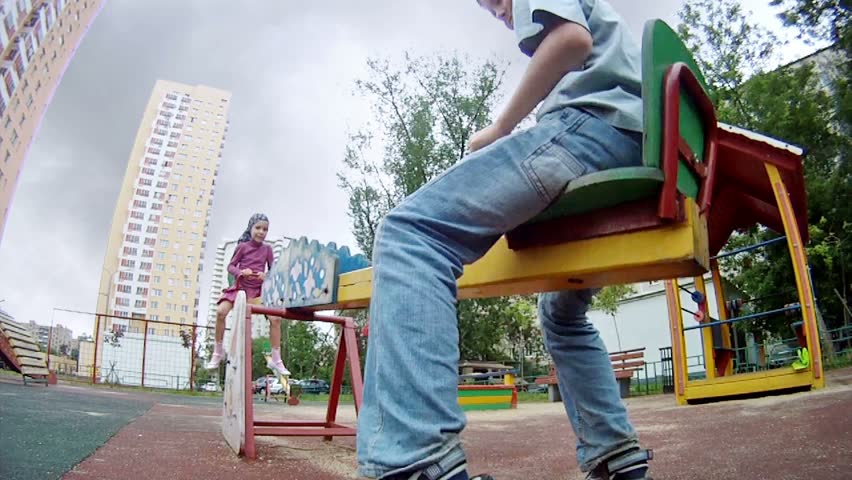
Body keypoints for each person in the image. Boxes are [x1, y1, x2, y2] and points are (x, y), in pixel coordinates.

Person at [356, 1, 653, 479]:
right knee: (561, 314)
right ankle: (617, 458)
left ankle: (415, 460)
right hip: (631, 141)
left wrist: (500, 128)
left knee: (410, 234)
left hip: (590, 126)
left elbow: (570, 39)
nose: (494, 9)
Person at [206, 213, 290, 376]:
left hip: (258, 291)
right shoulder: (242, 247)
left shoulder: (267, 249)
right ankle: (218, 352)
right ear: (250, 228)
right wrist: (241, 272)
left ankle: (276, 359)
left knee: (276, 318)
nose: (261, 232)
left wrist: (267, 276)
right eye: (258, 228)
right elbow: (230, 267)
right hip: (240, 288)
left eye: (265, 229)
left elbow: (273, 270)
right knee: (221, 312)